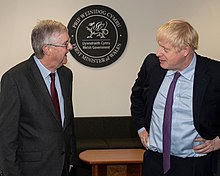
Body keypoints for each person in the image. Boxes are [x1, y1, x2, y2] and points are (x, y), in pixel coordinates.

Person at [130, 19, 220, 176]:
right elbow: (137, 96)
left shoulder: (214, 73)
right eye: (159, 46)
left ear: (185, 50)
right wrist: (140, 127)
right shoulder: (152, 65)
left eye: (165, 49)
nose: (158, 53)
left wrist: (219, 140)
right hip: (154, 162)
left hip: (194, 165)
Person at [0, 19, 76, 176]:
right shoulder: (14, 79)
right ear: (47, 49)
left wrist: (71, 159)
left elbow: (68, 122)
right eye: (65, 43)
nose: (70, 47)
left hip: (62, 167)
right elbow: (6, 134)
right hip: (31, 170)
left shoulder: (65, 75)